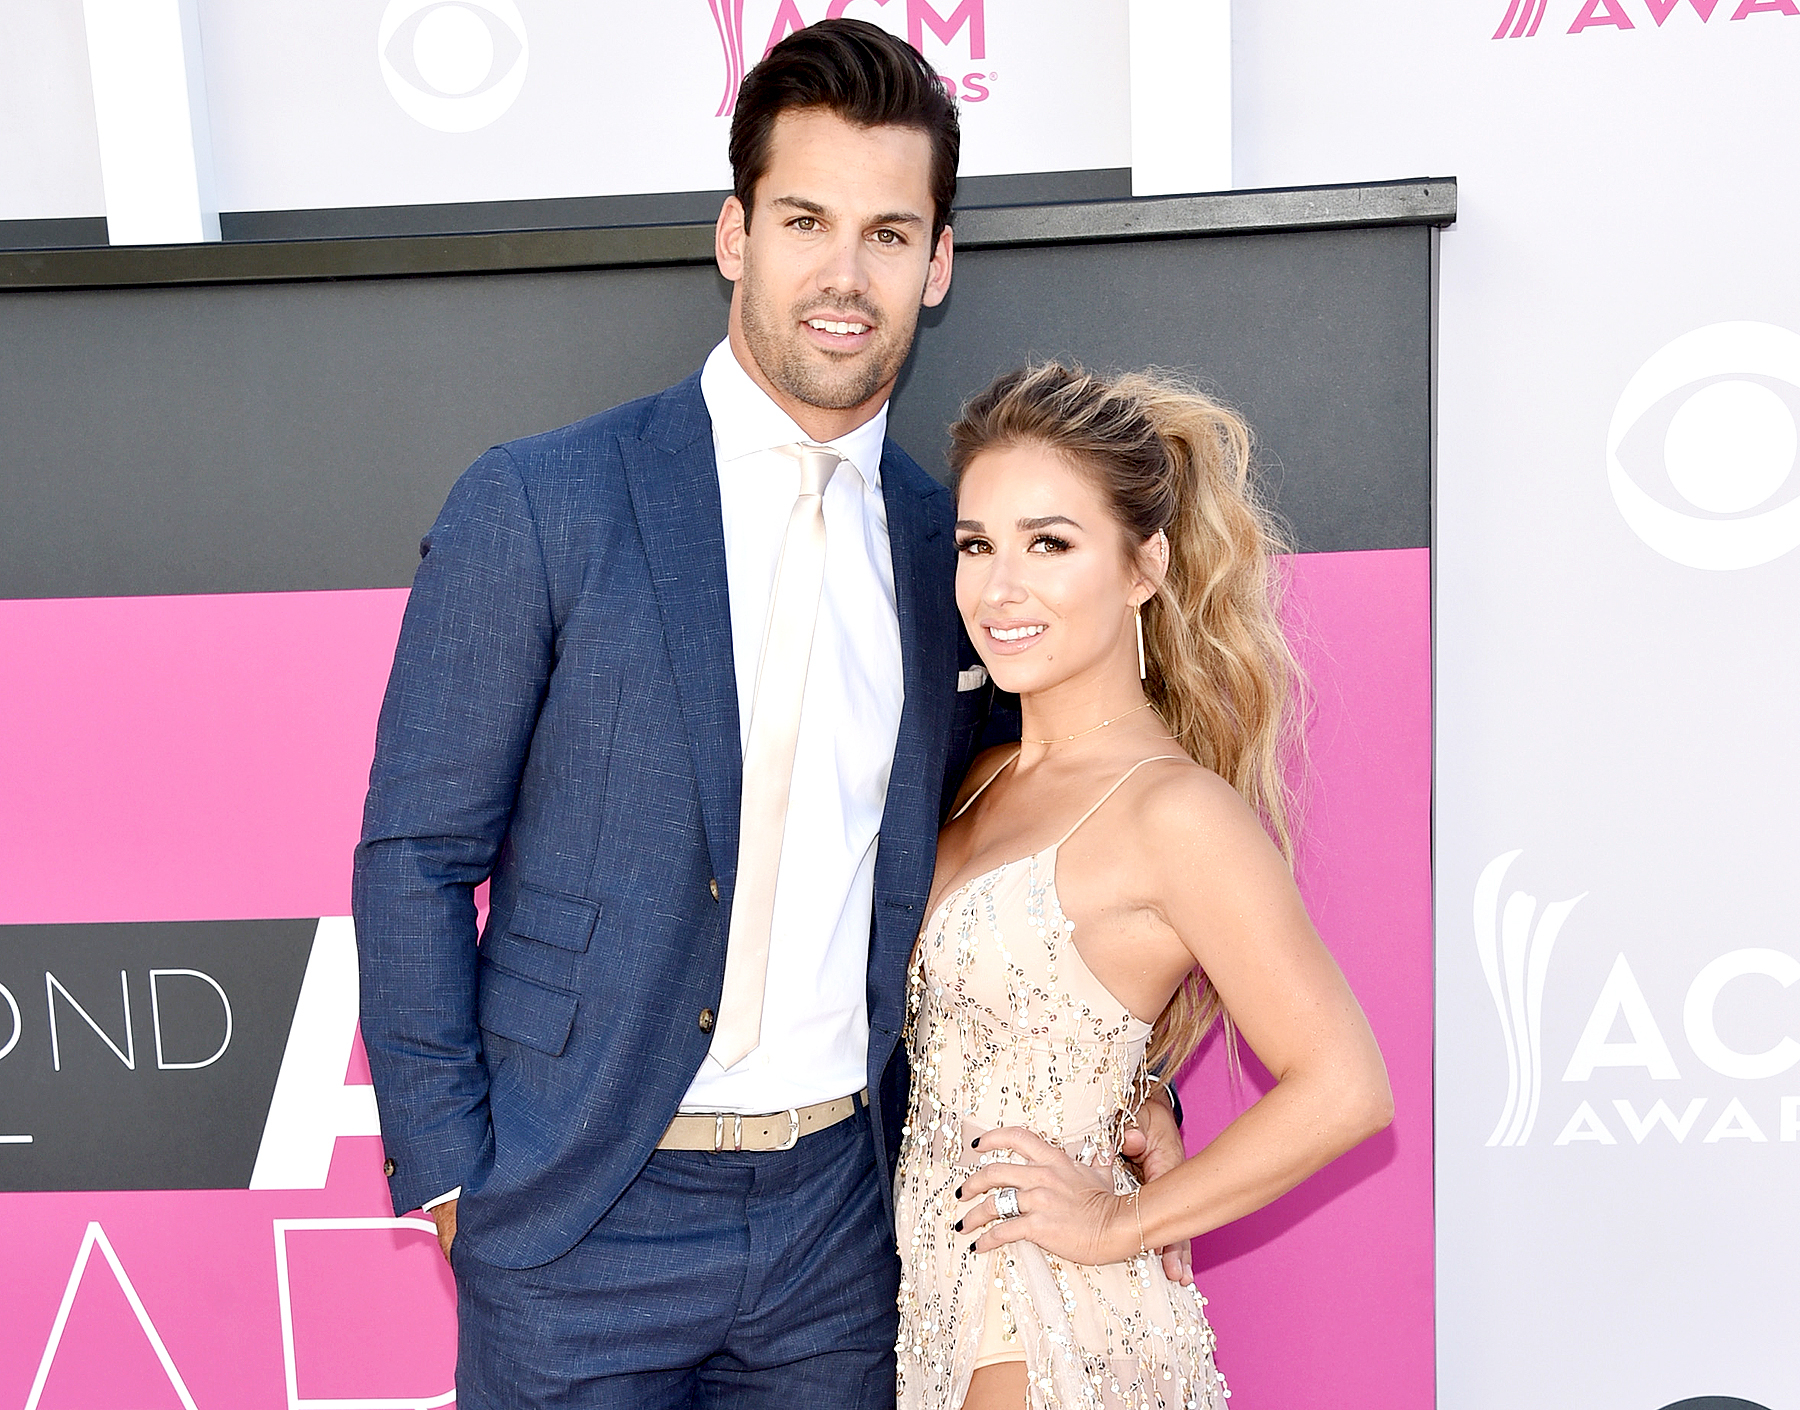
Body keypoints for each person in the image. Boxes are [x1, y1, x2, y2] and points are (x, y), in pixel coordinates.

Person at [352, 23, 1184, 1408]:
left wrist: (1129, 1080)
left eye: (886, 231)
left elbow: (1047, 841)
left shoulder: (954, 555)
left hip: (834, 1230)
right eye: (805, 219)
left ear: (939, 262)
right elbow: (415, 855)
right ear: (736, 233)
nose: (843, 275)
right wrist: (451, 1175)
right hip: (575, 1215)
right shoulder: (544, 502)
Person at [894, 364, 1396, 1410]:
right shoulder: (978, 774)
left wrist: (1121, 1222)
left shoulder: (1177, 814)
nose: (1000, 588)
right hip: (927, 1311)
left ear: (1144, 564)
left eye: (1050, 543)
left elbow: (1345, 1086)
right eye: (977, 545)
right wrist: (1143, 1091)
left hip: (1053, 1324)